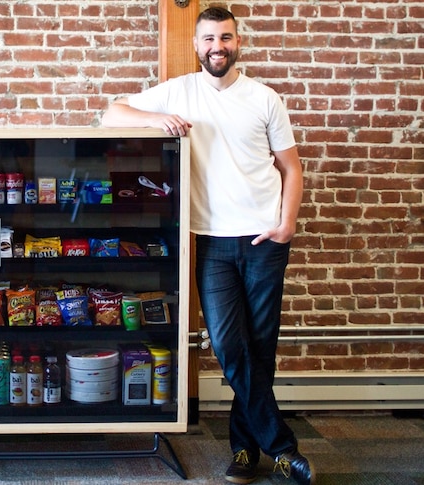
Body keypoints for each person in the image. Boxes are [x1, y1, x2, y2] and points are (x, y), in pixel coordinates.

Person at [102, 6, 312, 485]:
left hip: (264, 238)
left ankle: (244, 452)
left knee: (259, 349)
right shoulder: (180, 90)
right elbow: (111, 111)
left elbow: (291, 168)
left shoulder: (265, 98)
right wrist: (158, 118)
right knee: (227, 343)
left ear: (238, 42)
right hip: (212, 243)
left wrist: (286, 226)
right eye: (209, 39)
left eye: (226, 37)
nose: (218, 46)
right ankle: (282, 447)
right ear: (197, 46)